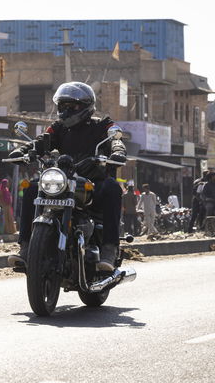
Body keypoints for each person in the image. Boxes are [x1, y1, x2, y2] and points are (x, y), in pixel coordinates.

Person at [7, 81, 127, 271]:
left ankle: (109, 248)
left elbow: (116, 141)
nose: (65, 111)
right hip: (63, 179)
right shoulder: (59, 127)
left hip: (93, 180)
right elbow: (41, 141)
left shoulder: (103, 125)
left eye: (71, 106)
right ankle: (26, 246)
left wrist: (117, 152)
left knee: (112, 188)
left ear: (86, 106)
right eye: (62, 106)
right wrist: (24, 150)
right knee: (31, 188)